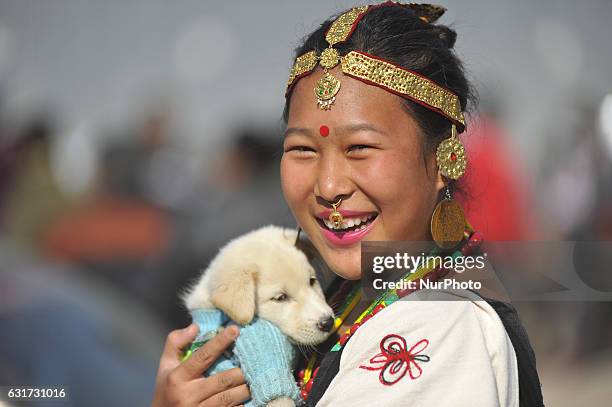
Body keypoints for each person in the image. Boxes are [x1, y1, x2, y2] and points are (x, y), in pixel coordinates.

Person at [151, 3, 544, 406]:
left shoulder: (439, 330)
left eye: (359, 148)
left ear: (443, 158)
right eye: (302, 149)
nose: (328, 184)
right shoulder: (353, 296)